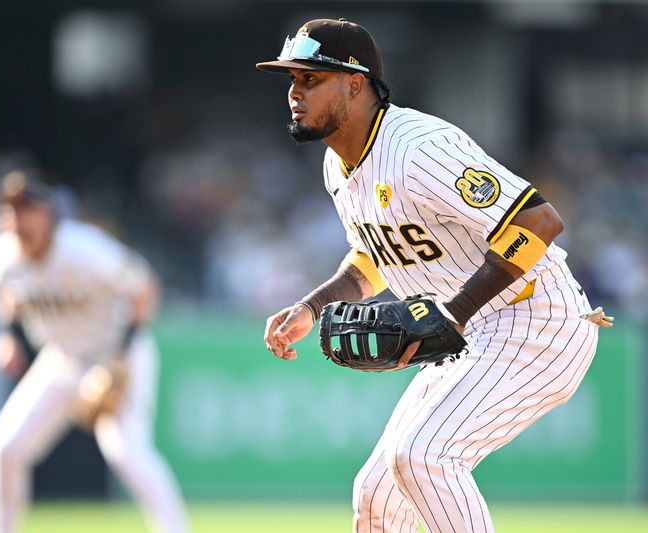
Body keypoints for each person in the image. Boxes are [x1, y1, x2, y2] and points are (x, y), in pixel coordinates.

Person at [257, 18, 612, 533]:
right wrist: (310, 306)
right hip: (471, 332)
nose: (295, 92)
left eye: (311, 78)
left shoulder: (417, 146)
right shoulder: (339, 166)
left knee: (424, 455)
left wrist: (454, 312)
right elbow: (373, 258)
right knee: (377, 495)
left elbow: (540, 221)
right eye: (292, 80)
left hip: (536, 320)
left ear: (355, 83)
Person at [0, 170, 189, 533]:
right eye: (9, 209)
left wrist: (121, 356)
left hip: (117, 355)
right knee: (3, 447)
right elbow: (7, 298)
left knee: (126, 452)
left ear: (46, 215)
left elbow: (145, 288)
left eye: (26, 208)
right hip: (61, 360)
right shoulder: (3, 257)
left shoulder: (82, 248)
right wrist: (9, 336)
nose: (17, 218)